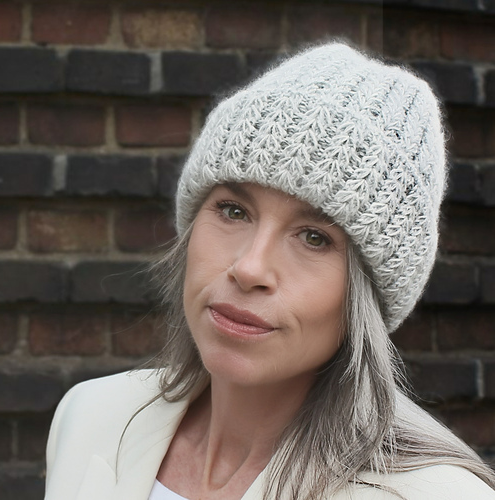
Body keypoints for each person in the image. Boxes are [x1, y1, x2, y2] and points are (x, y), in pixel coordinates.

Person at [45, 42, 495, 500]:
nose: (249, 268)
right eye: (233, 211)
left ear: (367, 296)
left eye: (314, 237)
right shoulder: (91, 415)